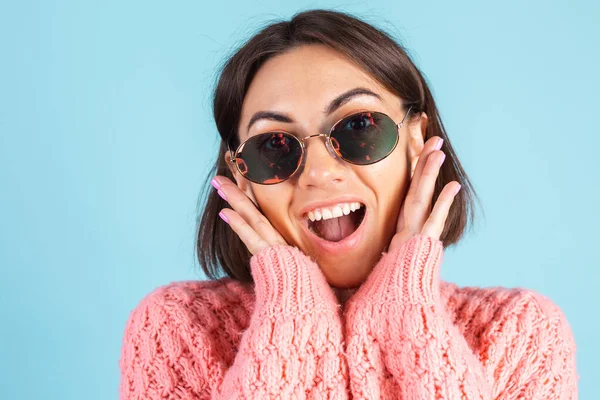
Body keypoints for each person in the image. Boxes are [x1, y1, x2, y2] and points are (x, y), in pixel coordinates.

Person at [118, 9, 578, 399]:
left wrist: (408, 311)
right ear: (242, 175)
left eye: (358, 127)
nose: (319, 173)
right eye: (274, 146)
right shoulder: (177, 328)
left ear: (416, 140)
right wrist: (291, 312)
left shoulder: (520, 333)